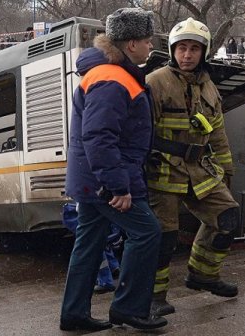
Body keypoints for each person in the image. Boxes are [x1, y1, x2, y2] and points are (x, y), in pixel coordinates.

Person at [59, 8, 166, 332]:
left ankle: (74, 313)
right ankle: (129, 307)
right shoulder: (113, 77)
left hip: (91, 179)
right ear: (131, 43)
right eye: (147, 41)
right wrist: (118, 186)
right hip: (105, 180)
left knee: (89, 242)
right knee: (147, 232)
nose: (151, 47)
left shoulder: (105, 72)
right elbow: (99, 136)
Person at [146, 18, 241, 317]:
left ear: (204, 52)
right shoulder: (155, 81)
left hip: (199, 169)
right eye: (182, 48)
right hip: (161, 169)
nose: (187, 55)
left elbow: (219, 134)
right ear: (173, 51)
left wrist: (227, 171)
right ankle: (152, 296)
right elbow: (140, 129)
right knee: (163, 237)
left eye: (194, 49)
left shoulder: (209, 86)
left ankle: (202, 274)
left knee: (227, 217)